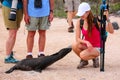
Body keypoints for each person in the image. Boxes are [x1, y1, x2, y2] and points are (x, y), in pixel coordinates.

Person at [72, 2, 114, 69]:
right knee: (74, 45)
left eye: (82, 13)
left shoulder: (97, 20)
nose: (80, 16)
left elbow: (111, 31)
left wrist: (107, 19)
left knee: (82, 55)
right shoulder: (80, 21)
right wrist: (86, 42)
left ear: (88, 12)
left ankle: (94, 58)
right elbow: (77, 38)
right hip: (88, 46)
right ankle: (85, 61)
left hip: (97, 47)